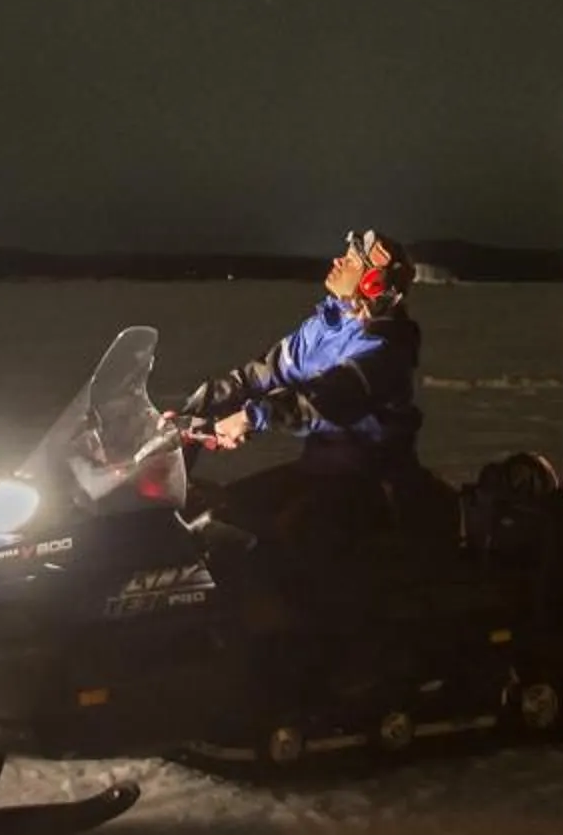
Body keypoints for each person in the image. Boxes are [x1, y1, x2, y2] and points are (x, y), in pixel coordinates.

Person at [171, 229, 446, 625]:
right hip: (319, 469)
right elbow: (262, 373)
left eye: (350, 261)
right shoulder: (326, 326)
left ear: (372, 281)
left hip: (370, 480)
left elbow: (327, 400)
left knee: (282, 543)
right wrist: (194, 410)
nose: (337, 262)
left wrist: (252, 417)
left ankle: (302, 648)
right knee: (222, 517)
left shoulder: (383, 346)